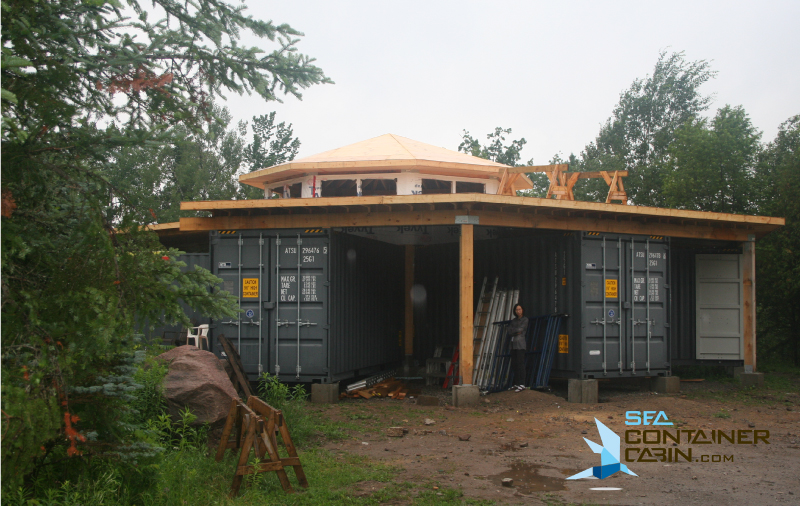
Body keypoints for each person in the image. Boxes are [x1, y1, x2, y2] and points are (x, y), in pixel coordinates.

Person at [508, 303, 529, 392]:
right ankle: (517, 383)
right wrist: (515, 331)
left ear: (522, 310)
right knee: (514, 364)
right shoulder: (513, 320)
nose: (518, 311)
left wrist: (515, 331)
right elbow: (509, 331)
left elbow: (521, 330)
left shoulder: (525, 320)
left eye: (520, 309)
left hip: (520, 344)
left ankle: (522, 383)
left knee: (520, 363)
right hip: (513, 345)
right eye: (517, 309)